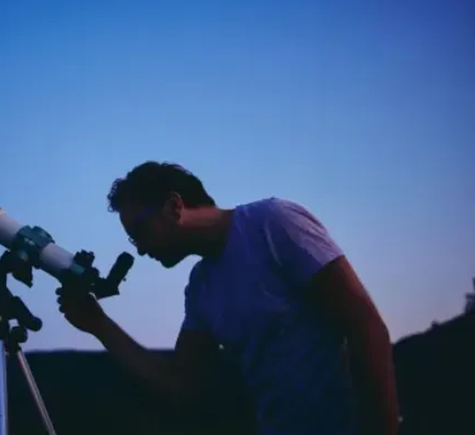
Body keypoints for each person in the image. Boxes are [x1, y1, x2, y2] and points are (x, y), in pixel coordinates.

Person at [56, 161, 399, 435]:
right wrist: (97, 323)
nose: (141, 250)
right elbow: (180, 385)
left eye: (140, 232)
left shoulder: (273, 223)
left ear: (174, 205)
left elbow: (365, 326)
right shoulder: (201, 286)